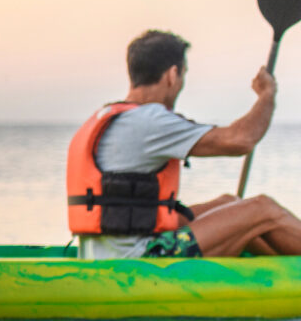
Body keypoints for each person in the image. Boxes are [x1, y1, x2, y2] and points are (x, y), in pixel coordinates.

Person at [68, 29, 301, 259]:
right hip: (142, 261)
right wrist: (267, 95)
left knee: (229, 203)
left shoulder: (108, 117)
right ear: (172, 74)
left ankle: (286, 276)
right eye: (183, 75)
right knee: (262, 209)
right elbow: (241, 140)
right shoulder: (149, 120)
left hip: (106, 255)